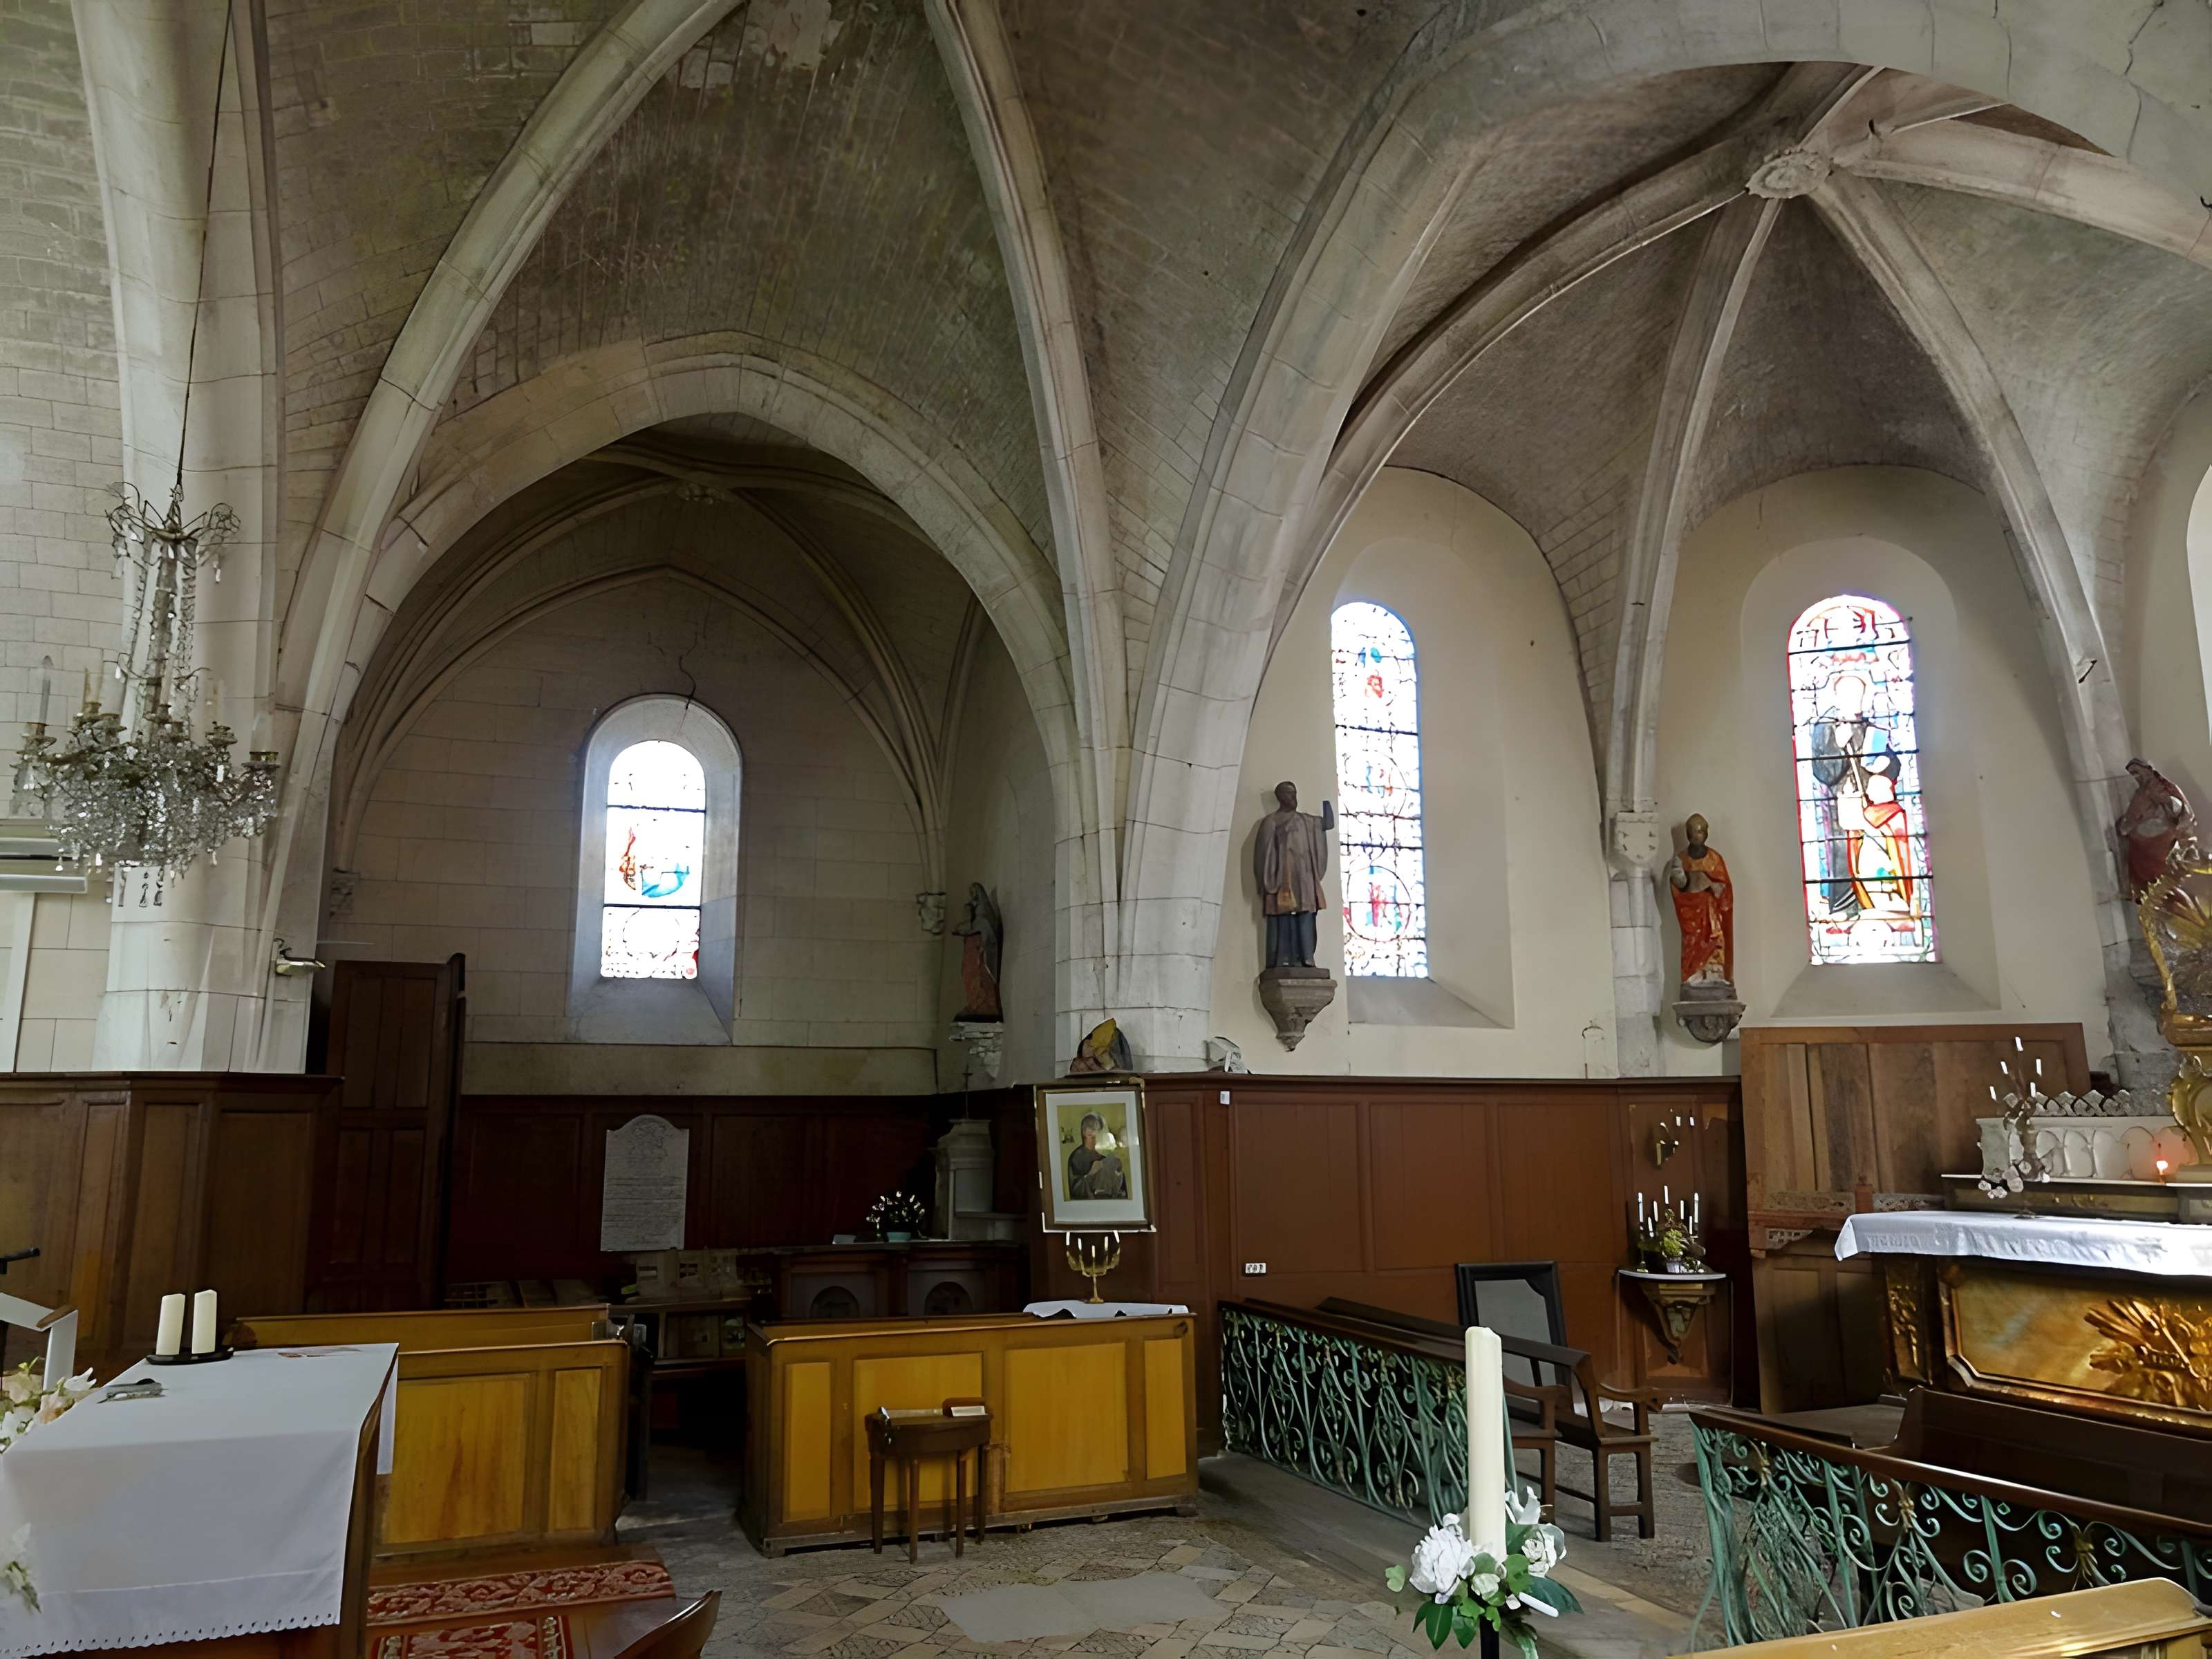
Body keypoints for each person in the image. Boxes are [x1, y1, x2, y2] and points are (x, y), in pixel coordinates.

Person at [1253, 780, 1334, 969]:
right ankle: (1283, 959)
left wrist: (1328, 803)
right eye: (1290, 795)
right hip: (1284, 878)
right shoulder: (1271, 822)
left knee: (1306, 915)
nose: (1294, 799)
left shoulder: (1307, 821)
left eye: (1295, 794)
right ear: (1281, 797)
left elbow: (1327, 824)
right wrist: (1270, 881)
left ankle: (1306, 957)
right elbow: (1263, 854)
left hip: (1305, 878)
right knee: (1284, 917)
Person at [1665, 814, 1734, 985]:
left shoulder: (1715, 859)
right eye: (1693, 833)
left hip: (1711, 912)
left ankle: (1714, 974)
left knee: (1714, 938)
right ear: (1688, 835)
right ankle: (1693, 973)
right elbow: (1678, 888)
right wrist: (1682, 879)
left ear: (1706, 834)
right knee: (1692, 940)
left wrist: (1713, 886)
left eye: (1700, 832)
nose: (1697, 836)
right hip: (1691, 913)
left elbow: (1725, 890)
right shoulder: (1681, 859)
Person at [2116, 758, 2194, 899]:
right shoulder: (2141, 796)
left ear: (2150, 771)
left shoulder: (2168, 791)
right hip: (2147, 842)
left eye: (2139, 773)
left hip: (2166, 841)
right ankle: (2146, 889)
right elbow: (2126, 826)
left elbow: (2184, 815)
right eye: (2134, 775)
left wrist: (2168, 805)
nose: (2138, 777)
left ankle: (2161, 890)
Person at [1066, 1112, 1128, 1199]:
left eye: (1097, 1134)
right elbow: (1076, 1191)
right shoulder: (1076, 1157)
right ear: (1084, 1134)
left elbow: (1119, 1184)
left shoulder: (1105, 1153)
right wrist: (1090, 1174)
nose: (1094, 1139)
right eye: (1090, 1135)